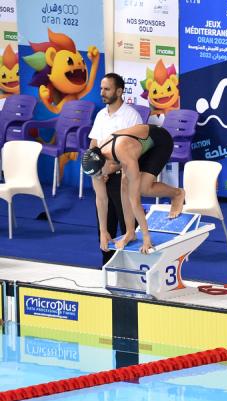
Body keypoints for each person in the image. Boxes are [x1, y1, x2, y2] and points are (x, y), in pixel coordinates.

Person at [81, 124, 184, 254]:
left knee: (142, 188)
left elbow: (135, 201)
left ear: (104, 162)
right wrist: (103, 231)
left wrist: (146, 237)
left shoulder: (123, 153)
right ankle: (130, 233)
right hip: (135, 148)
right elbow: (101, 199)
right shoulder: (96, 164)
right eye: (95, 175)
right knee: (123, 184)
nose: (99, 177)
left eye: (100, 173)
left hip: (159, 142)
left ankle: (177, 193)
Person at [87, 73, 143, 265]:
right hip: (103, 175)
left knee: (128, 225)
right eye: (101, 88)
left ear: (119, 91)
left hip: (122, 176)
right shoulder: (101, 115)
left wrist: (110, 168)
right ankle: (108, 268)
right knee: (104, 226)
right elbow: (94, 143)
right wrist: (96, 168)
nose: (102, 92)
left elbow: (133, 154)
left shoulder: (131, 117)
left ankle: (135, 269)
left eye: (107, 89)